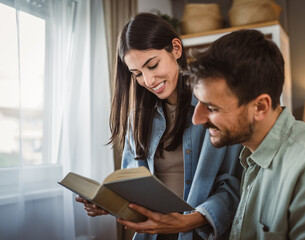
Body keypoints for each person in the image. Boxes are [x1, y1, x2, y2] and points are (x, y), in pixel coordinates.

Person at [76, 13, 243, 240]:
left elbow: (235, 183)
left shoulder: (213, 108)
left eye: (152, 65)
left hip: (200, 233)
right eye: (137, 74)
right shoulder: (138, 117)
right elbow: (131, 181)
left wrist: (188, 221)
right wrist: (109, 203)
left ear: (176, 48)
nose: (148, 81)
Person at [186, 29, 305, 239]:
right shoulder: (250, 154)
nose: (197, 119)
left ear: (260, 107)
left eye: (212, 108)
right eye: (198, 102)